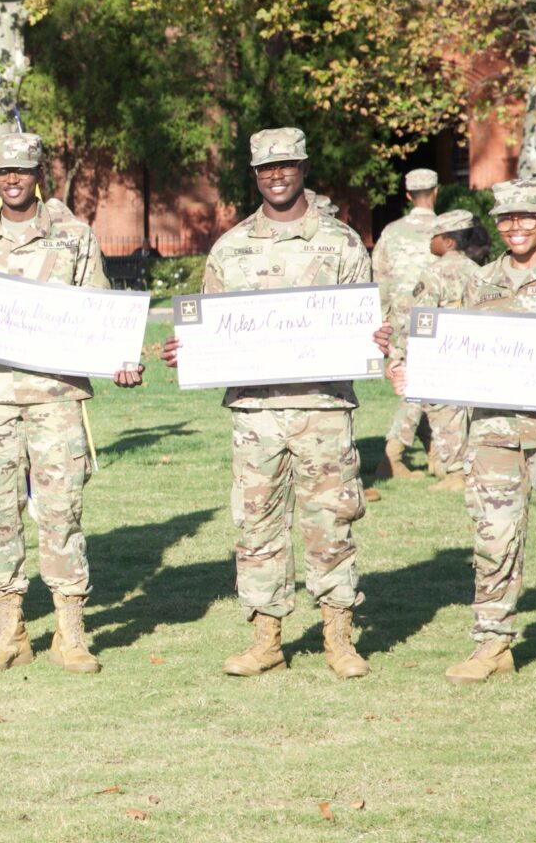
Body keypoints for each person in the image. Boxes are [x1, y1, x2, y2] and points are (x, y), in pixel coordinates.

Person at [161, 128, 386, 679]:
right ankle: (266, 640)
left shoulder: (342, 243)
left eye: (286, 165)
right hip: (255, 415)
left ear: (304, 168)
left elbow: (365, 322)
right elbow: (209, 325)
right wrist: (188, 349)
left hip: (323, 409)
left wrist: (376, 337)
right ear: (255, 174)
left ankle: (338, 638)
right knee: (256, 526)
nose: (277, 175)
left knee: (331, 522)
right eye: (266, 168)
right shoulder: (231, 247)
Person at [0, 133, 143, 676]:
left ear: (37, 174)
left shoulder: (74, 237)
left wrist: (121, 358)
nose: (12, 179)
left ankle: (70, 633)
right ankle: (10, 632)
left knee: (61, 514)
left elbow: (100, 311)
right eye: (2, 172)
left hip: (56, 399)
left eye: (22, 170)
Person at [390, 180, 536, 683]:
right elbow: (447, 344)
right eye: (506, 218)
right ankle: (492, 645)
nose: (516, 227)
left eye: (527, 216)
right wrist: (408, 363)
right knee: (493, 539)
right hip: (495, 433)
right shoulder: (482, 281)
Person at [402, 210, 481, 493]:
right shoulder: (477, 270)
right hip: (472, 351)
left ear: (448, 241)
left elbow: (422, 316)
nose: (429, 241)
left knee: (444, 412)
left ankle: (456, 472)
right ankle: (466, 467)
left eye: (434, 236)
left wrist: (409, 353)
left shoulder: (434, 272)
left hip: (441, 353)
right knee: (467, 412)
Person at [372, 169, 440, 479]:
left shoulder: (391, 232)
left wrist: (383, 322)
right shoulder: (446, 230)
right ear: (436, 191)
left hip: (401, 321)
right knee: (419, 387)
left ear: (409, 195)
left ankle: (436, 454)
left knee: (423, 385)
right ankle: (393, 454)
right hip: (437, 319)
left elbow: (380, 281)